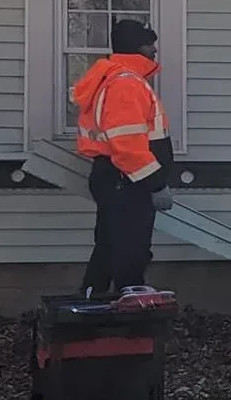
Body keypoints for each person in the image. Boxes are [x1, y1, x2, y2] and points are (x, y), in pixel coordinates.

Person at [73, 19, 175, 298]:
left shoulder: (116, 78)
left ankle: (92, 302)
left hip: (116, 178)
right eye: (149, 44)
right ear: (136, 47)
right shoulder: (126, 84)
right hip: (126, 180)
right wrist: (156, 184)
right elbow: (127, 145)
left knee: (110, 247)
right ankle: (129, 309)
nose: (154, 50)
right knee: (130, 250)